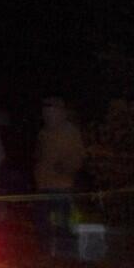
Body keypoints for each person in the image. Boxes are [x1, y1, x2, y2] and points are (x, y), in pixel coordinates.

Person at [34, 97, 85, 255]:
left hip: (63, 186)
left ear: (60, 112)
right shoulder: (43, 133)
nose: (48, 114)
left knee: (64, 223)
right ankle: (45, 253)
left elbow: (78, 156)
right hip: (43, 186)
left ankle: (67, 253)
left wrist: (66, 168)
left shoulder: (71, 132)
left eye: (51, 111)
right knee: (42, 222)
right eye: (46, 111)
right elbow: (39, 155)